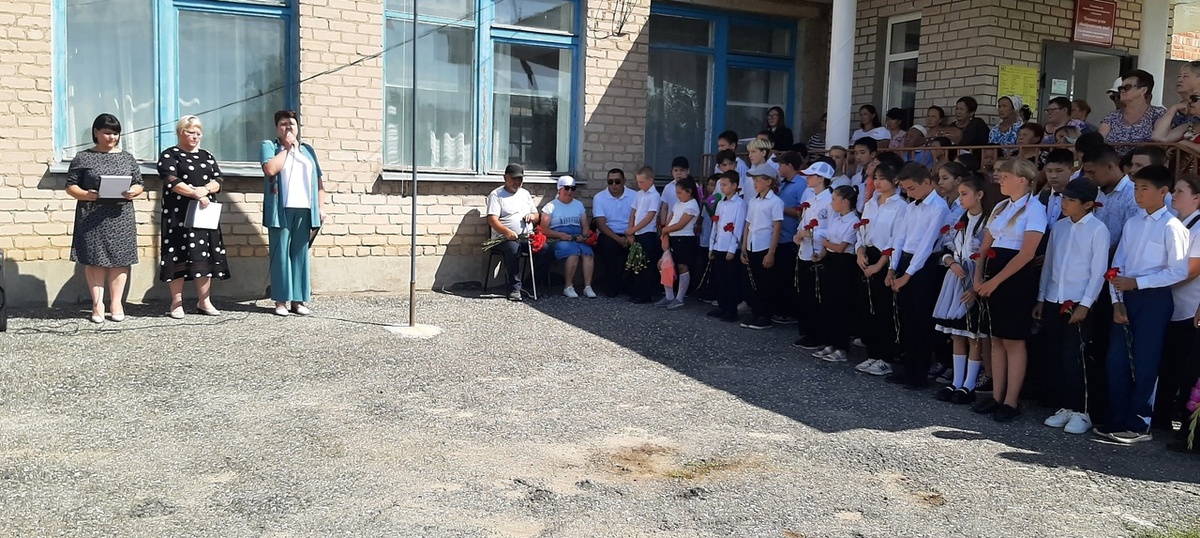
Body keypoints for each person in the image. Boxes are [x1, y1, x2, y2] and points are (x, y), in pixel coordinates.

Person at [1099, 164, 1189, 444]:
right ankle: (1118, 417)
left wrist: (1138, 283)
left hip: (1154, 298)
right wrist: (1116, 301)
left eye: (1145, 188)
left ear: (1163, 192)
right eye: (1136, 187)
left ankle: (1139, 422)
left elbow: (1178, 271)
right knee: (1117, 361)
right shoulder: (1133, 222)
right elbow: (1118, 264)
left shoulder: (1172, 226)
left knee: (1146, 361)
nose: (1139, 194)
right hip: (1126, 296)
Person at [971, 158, 1048, 422]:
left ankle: (1011, 400)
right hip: (993, 274)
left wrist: (995, 281)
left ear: (1023, 181)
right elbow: (985, 245)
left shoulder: (1034, 209)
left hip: (1015, 279)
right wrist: (979, 275)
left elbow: (1027, 253)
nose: (1000, 180)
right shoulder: (1001, 206)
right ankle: (996, 395)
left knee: (1013, 340)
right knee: (996, 338)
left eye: (1006, 177)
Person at [1034, 178, 1109, 435]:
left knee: (1075, 356)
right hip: (1055, 297)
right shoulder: (1060, 226)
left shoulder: (1098, 230)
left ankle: (1083, 410)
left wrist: (1085, 305)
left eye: (1071, 200)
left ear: (1088, 204)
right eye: (1063, 198)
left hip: (1078, 301)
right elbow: (1050, 264)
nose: (1065, 203)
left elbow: (1098, 272)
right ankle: (1065, 405)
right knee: (1055, 354)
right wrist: (1042, 297)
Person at [65, 113, 144, 323]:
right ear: (96, 132)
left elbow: (139, 183)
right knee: (95, 260)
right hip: (91, 215)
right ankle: (97, 304)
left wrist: (133, 192)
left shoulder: (127, 157)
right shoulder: (83, 157)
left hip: (120, 215)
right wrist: (85, 195)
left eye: (116, 133)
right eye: (107, 133)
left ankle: (116, 303)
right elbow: (70, 185)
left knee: (120, 261)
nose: (112, 137)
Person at [932, 172, 998, 404]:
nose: (960, 198)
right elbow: (946, 246)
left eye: (964, 194)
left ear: (979, 195)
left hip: (975, 281)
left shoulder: (989, 223)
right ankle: (956, 382)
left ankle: (969, 384)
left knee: (973, 336)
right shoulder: (960, 220)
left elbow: (989, 255)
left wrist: (976, 284)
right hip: (956, 278)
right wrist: (950, 262)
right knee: (956, 334)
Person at [157, 115, 229, 319]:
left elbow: (219, 179)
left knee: (204, 255)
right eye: (191, 132)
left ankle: (204, 301)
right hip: (178, 214)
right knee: (177, 255)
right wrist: (194, 193)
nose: (195, 136)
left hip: (204, 214)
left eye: (198, 133)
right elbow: (170, 179)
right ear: (180, 132)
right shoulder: (170, 154)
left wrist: (205, 190)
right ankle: (176, 302)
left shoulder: (207, 155)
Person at [885, 163, 950, 389]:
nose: (909, 193)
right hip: (905, 261)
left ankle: (920, 373)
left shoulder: (939, 208)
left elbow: (928, 243)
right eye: (905, 189)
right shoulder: (911, 206)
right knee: (907, 319)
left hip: (925, 266)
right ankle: (908, 368)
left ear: (927, 182)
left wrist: (908, 275)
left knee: (922, 320)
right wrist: (893, 267)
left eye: (912, 188)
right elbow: (899, 238)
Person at [260, 109, 327, 317]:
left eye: (292, 124)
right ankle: (281, 301)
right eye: (283, 124)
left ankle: (298, 301)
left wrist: (322, 207)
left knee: (300, 255)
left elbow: (319, 182)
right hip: (281, 210)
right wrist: (287, 149)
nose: (288, 127)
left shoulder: (307, 150)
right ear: (277, 128)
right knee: (281, 256)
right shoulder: (270, 146)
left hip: (305, 210)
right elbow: (270, 169)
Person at [1152, 174, 1200, 431]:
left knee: (1181, 367)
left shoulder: (1199, 227)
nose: (1174, 195)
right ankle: (1160, 416)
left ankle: (1181, 419)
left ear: (1197, 197)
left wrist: (1155, 285)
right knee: (1169, 364)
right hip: (1173, 305)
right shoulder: (1180, 224)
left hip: (1189, 309)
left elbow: (1191, 270)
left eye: (1180, 191)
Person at [854, 161, 905, 377]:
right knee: (867, 309)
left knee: (884, 311)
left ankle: (885, 357)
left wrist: (880, 265)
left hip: (886, 260)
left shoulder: (900, 206)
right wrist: (859, 251)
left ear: (895, 181)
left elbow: (896, 239)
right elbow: (862, 230)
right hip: (868, 254)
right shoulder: (870, 203)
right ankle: (872, 353)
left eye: (883, 178)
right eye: (876, 178)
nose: (878, 182)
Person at [811, 185, 861, 363]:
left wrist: (824, 242)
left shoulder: (853, 220)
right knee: (828, 303)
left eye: (834, 199)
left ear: (844, 202)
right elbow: (830, 244)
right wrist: (821, 255)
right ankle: (830, 342)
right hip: (830, 262)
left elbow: (840, 247)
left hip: (844, 265)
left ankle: (842, 347)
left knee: (841, 306)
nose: (832, 203)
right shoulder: (836, 218)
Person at [793, 160, 836, 349]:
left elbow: (832, 229)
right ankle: (808, 331)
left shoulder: (830, 200)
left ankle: (818, 334)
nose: (807, 179)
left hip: (819, 252)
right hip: (805, 249)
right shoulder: (811, 197)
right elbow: (804, 220)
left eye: (811, 176)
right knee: (806, 295)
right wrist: (799, 233)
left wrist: (811, 234)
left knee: (817, 296)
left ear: (821, 179)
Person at [485, 164, 539, 302]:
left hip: (525, 236)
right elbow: (492, 219)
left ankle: (532, 283)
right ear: (505, 178)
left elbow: (536, 215)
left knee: (544, 249)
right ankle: (514, 288)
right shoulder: (496, 195)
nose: (517, 182)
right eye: (514, 179)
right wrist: (507, 231)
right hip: (504, 238)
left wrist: (532, 216)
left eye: (520, 179)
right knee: (513, 249)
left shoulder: (525, 194)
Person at [739, 164, 783, 330]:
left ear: (768, 181)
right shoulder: (753, 201)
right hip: (751, 245)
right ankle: (756, 311)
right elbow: (748, 224)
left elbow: (777, 227)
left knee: (765, 282)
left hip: (765, 246)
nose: (755, 183)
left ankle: (765, 315)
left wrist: (771, 252)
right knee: (753, 281)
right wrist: (744, 246)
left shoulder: (775, 202)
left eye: (758, 180)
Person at [541, 175, 596, 299]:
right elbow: (544, 229)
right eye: (567, 188)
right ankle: (568, 286)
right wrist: (561, 235)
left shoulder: (578, 205)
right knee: (573, 253)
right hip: (559, 237)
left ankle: (588, 286)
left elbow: (585, 225)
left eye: (573, 188)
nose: (570, 192)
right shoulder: (551, 206)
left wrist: (584, 235)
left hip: (576, 236)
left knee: (588, 254)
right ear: (559, 189)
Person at [774, 151, 809, 324]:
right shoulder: (783, 184)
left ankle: (789, 312)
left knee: (788, 276)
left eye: (781, 164)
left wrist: (778, 208)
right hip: (779, 236)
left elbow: (802, 211)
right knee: (779, 276)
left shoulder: (801, 184)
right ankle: (781, 308)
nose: (779, 168)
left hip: (791, 237)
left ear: (789, 166)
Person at [1081, 145, 1138, 252]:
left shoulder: (1133, 194)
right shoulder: (1092, 192)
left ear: (1110, 166)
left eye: (1092, 172)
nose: (1087, 177)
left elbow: (1131, 236)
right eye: (1086, 172)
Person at [706, 171, 746, 322]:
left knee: (731, 280)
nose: (722, 188)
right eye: (720, 185)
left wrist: (732, 249)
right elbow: (715, 225)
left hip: (730, 247)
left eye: (724, 185)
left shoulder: (740, 204)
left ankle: (731, 309)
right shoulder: (721, 203)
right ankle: (722, 306)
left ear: (734, 186)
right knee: (720, 278)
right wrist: (711, 246)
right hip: (719, 245)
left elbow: (739, 226)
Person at [658, 177, 701, 310]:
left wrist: (665, 229)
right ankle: (669, 295)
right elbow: (671, 219)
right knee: (664, 264)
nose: (678, 195)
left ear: (689, 192)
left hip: (685, 239)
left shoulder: (692, 205)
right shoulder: (678, 204)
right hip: (673, 238)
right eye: (677, 193)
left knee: (682, 266)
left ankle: (680, 298)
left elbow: (681, 224)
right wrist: (665, 234)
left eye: (680, 193)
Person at [1100, 69, 1167, 155]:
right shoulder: (1111, 116)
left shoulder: (1159, 114)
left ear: (1143, 90)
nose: (1122, 91)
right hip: (1113, 165)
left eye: (1127, 87)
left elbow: (1160, 139)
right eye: (1121, 88)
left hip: (1146, 167)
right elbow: (1099, 139)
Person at [592, 168, 636, 297]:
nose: (614, 185)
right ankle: (612, 286)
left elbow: (638, 217)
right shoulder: (599, 198)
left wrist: (630, 235)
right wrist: (618, 239)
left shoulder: (634, 196)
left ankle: (628, 285)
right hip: (609, 233)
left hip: (629, 232)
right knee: (608, 248)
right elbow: (600, 224)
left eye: (617, 181)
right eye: (610, 182)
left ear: (624, 181)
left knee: (638, 249)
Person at [627, 166, 663, 304]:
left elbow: (650, 216)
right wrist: (630, 229)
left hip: (647, 233)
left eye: (642, 182)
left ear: (650, 180)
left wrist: (634, 229)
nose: (639, 184)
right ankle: (637, 292)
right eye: (638, 182)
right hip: (636, 233)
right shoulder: (639, 194)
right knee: (637, 263)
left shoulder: (654, 196)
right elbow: (633, 212)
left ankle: (646, 294)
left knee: (646, 265)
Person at [1040, 149, 1076, 224]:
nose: (1053, 176)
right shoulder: (1041, 197)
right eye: (1049, 171)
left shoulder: (1077, 198)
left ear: (1072, 170)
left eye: (1059, 171)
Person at [659, 156, 691, 228]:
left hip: (687, 226)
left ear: (688, 171)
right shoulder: (668, 187)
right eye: (676, 170)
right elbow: (664, 207)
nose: (678, 173)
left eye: (682, 170)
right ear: (672, 172)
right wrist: (663, 224)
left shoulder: (693, 187)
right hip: (670, 224)